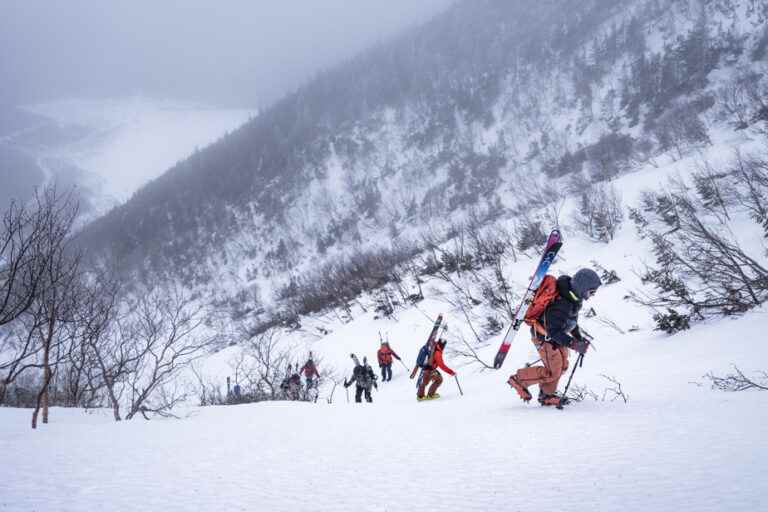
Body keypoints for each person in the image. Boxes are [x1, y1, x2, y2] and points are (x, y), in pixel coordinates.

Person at [508, 268, 602, 407]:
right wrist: (574, 344)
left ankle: (547, 395)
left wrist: (578, 338)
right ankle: (519, 380)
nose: (592, 295)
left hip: (558, 338)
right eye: (592, 291)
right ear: (582, 287)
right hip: (544, 338)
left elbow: (571, 322)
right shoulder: (562, 304)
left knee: (562, 366)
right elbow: (553, 331)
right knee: (552, 371)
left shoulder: (573, 299)